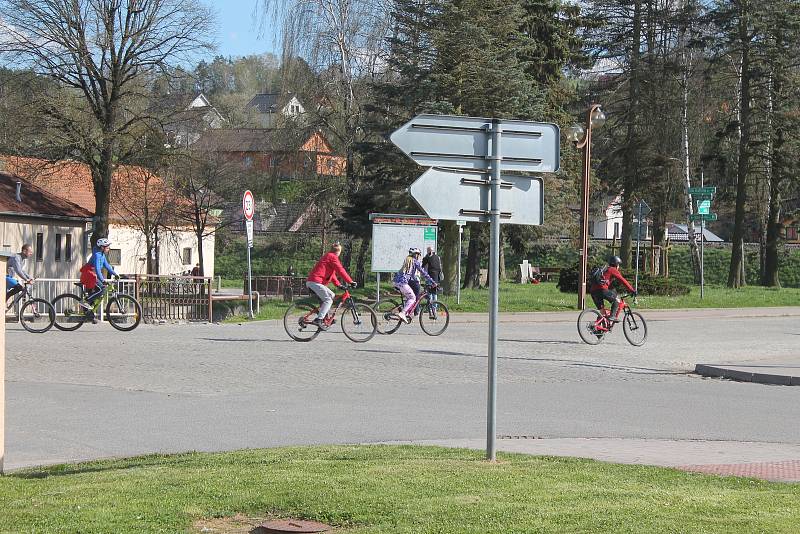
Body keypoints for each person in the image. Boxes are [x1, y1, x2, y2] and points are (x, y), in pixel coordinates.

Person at [306, 242, 355, 328]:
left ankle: (326, 318)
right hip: (315, 282)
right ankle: (319, 319)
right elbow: (340, 270)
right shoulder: (332, 257)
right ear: (338, 251)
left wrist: (338, 285)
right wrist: (350, 281)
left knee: (332, 295)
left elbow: (332, 275)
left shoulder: (329, 256)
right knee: (328, 300)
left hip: (316, 282)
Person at [588, 255, 636, 325]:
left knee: (602, 313)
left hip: (593, 292)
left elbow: (609, 286)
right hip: (601, 290)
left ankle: (599, 331)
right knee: (616, 300)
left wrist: (614, 292)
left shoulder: (605, 270)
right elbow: (622, 280)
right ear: (616, 264)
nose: (619, 267)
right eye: (618, 264)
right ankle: (612, 316)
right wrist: (632, 290)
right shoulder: (612, 269)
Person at [393, 247, 436, 323]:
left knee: (409, 296)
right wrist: (432, 282)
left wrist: (416, 281)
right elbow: (424, 273)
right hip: (402, 282)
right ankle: (403, 313)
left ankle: (405, 311)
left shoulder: (407, 259)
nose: (418, 256)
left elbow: (411, 274)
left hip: (396, 281)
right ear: (415, 254)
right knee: (413, 298)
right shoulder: (414, 261)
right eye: (418, 255)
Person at [80, 237, 119, 308]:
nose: (109, 249)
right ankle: (85, 301)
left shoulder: (102, 255)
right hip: (89, 275)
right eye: (107, 248)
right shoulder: (97, 255)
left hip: (92, 275)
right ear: (102, 247)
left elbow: (107, 266)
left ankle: (89, 311)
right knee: (102, 289)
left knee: (98, 291)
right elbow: (97, 269)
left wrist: (115, 274)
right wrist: (103, 280)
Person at [421, 246, 443, 311]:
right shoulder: (438, 257)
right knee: (434, 293)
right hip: (436, 278)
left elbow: (422, 266)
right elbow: (440, 267)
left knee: (429, 292)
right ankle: (435, 308)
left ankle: (430, 308)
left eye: (427, 251)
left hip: (429, 277)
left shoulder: (427, 257)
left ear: (428, 251)